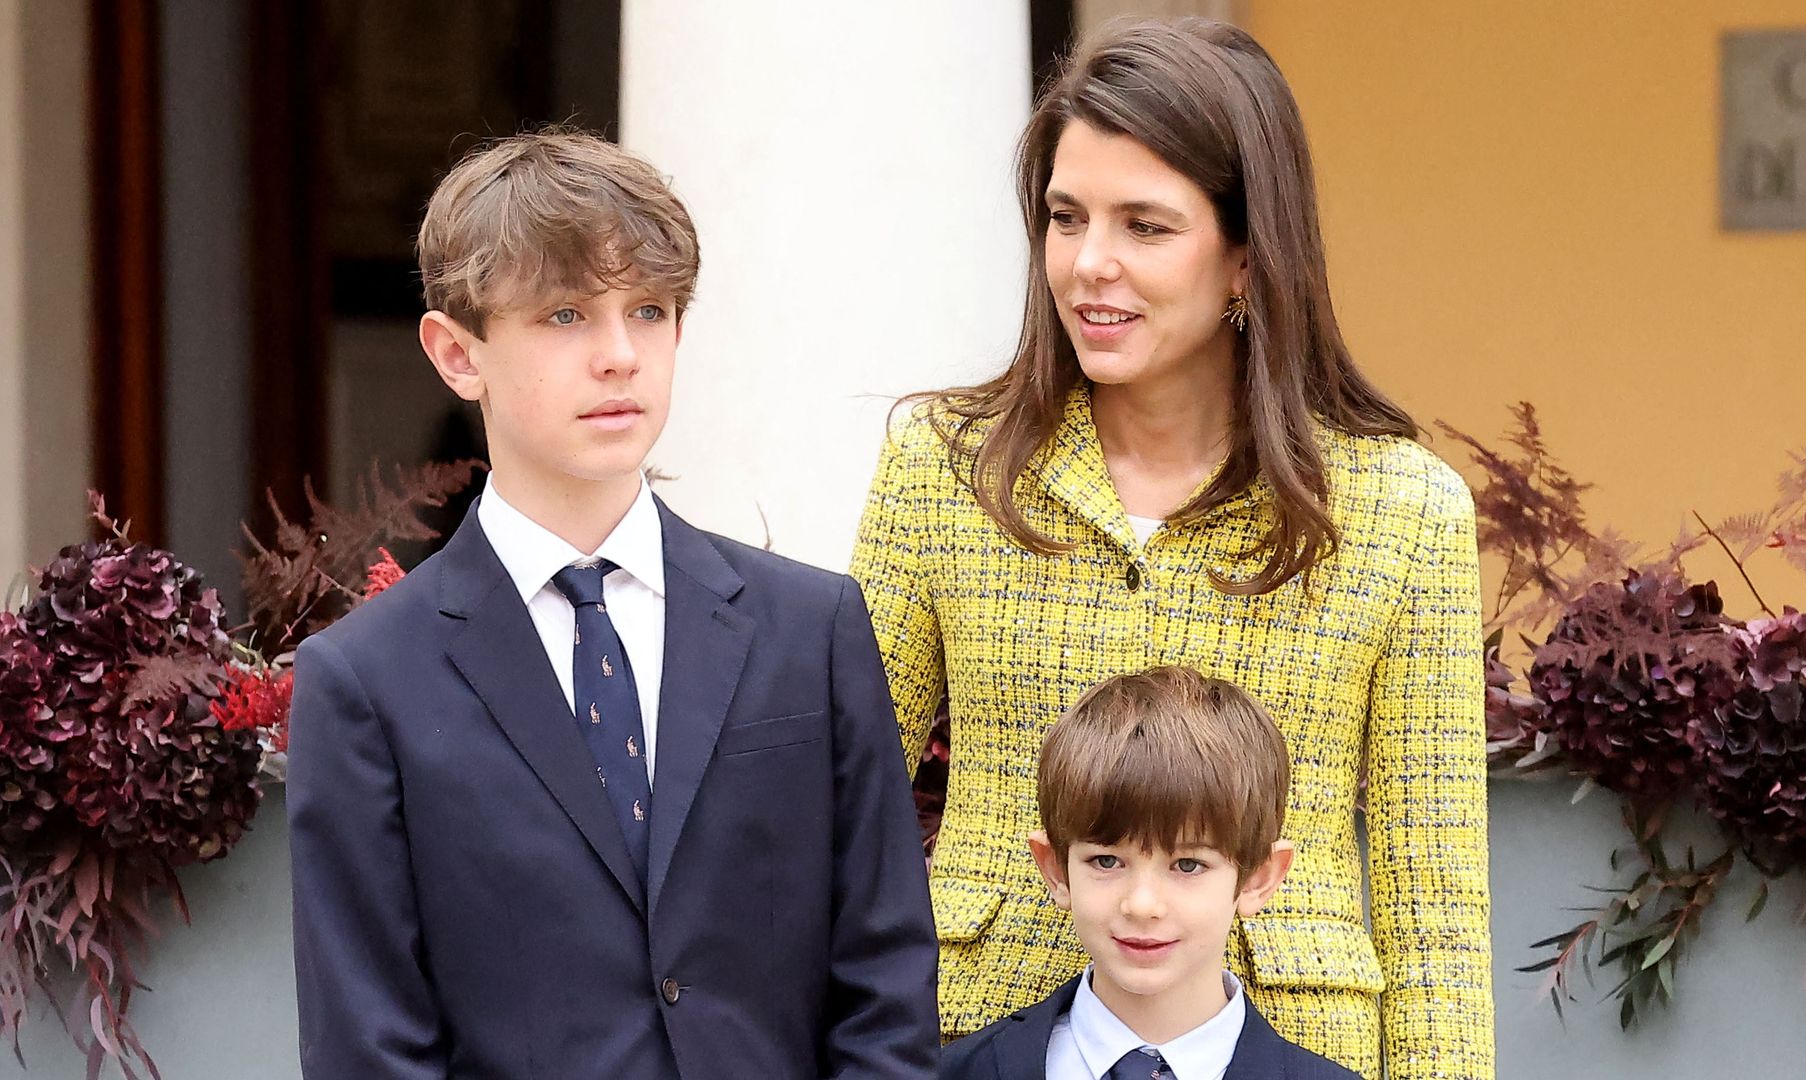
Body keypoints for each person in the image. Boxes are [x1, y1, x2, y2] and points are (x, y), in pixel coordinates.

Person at [849, 18, 1491, 1078]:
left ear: (1246, 254)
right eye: (1066, 217)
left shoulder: (1401, 511)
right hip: (974, 1035)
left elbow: (1437, 915)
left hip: (1294, 1045)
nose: (1089, 264)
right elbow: (844, 811)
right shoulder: (942, 468)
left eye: (1145, 227)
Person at [288, 128, 937, 1080]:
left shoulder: (813, 630)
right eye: (565, 316)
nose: (622, 355)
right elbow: (368, 1043)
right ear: (456, 354)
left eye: (650, 310)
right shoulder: (367, 680)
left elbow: (883, 990)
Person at [938, 667, 1361, 1080]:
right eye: (1107, 861)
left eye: (1188, 865)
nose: (1142, 904)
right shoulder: (952, 1071)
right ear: (1056, 869)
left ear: (1258, 879)